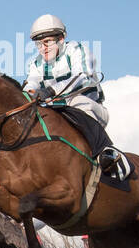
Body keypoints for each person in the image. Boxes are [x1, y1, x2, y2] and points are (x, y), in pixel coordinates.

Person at [23, 14, 126, 180]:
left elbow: (83, 77)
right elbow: (32, 84)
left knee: (79, 103)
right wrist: (25, 95)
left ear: (61, 38)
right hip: (59, 112)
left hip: (89, 108)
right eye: (38, 44)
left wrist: (50, 91)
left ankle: (108, 153)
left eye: (47, 42)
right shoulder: (35, 64)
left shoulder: (78, 50)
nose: (43, 48)